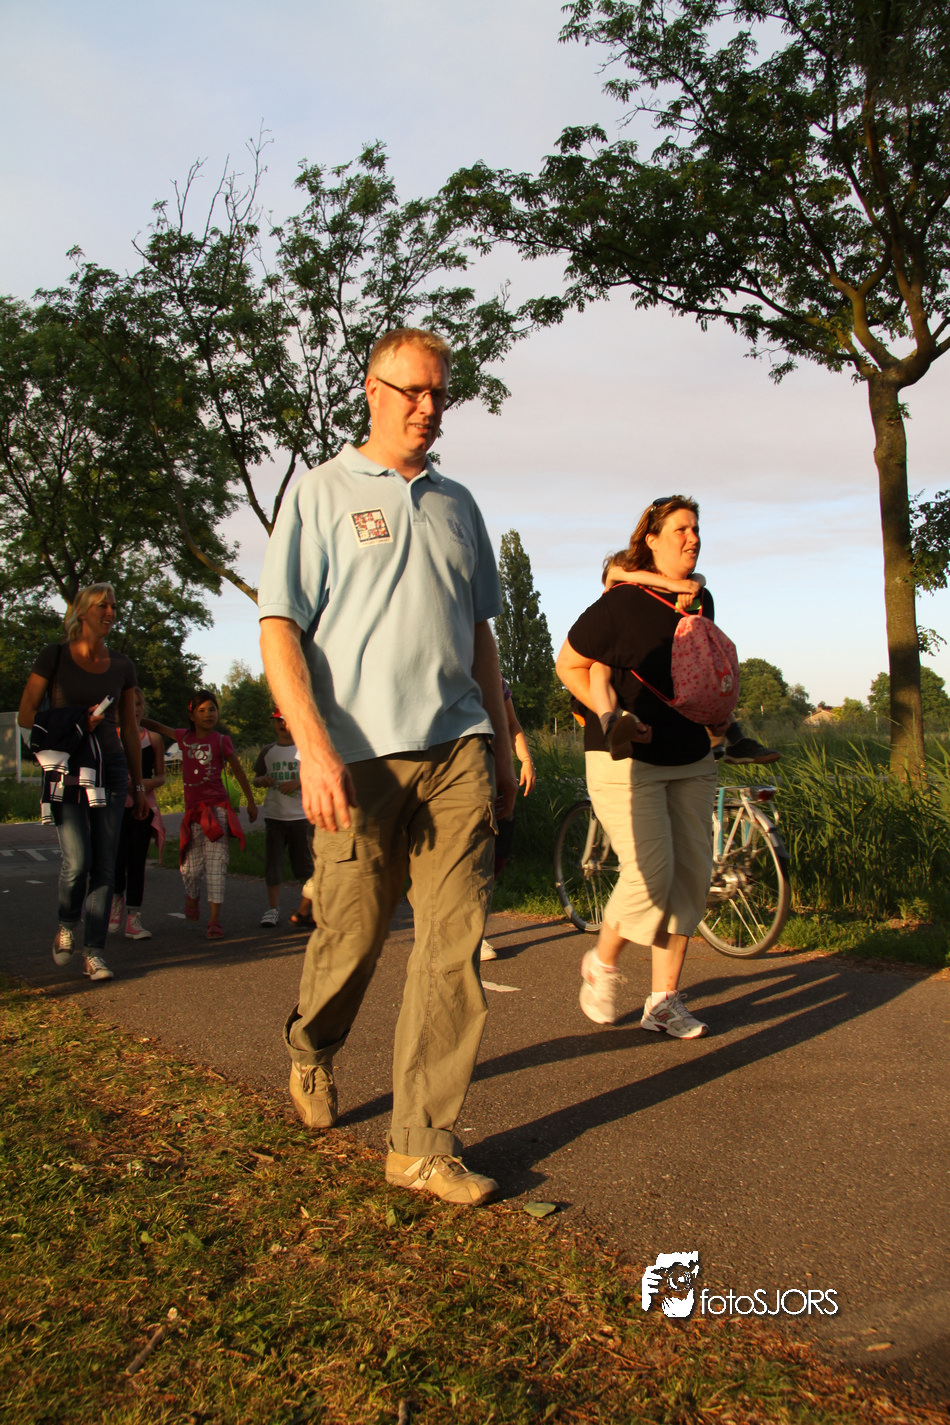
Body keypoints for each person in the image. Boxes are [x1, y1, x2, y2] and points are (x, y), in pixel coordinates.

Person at [259, 326, 516, 1208]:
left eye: (440, 393)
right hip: (357, 757)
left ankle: (421, 1145)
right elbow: (279, 628)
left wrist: (502, 739)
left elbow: (480, 635)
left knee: (453, 944)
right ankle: (311, 1046)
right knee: (355, 936)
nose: (428, 407)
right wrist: (313, 747)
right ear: (372, 390)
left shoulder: (459, 505)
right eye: (412, 390)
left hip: (458, 748)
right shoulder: (321, 493)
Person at [555, 496, 719, 1036]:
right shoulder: (621, 602)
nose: (692, 538)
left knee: (690, 878)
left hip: (690, 754)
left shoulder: (700, 600)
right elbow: (568, 665)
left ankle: (663, 1002)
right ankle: (601, 963)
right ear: (652, 538)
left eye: (696, 529)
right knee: (651, 876)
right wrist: (610, 718)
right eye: (680, 529)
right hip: (626, 760)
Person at [17, 583, 148, 982]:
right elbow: (26, 715)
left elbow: (130, 729)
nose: (110, 612)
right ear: (83, 611)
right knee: (78, 862)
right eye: (102, 605)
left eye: (114, 606)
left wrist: (138, 786)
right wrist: (77, 719)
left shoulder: (122, 665)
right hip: (68, 767)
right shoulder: (54, 656)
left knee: (106, 865)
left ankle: (95, 953)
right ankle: (66, 922)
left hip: (110, 767)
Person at [598, 559, 779, 765]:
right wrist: (682, 585)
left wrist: (692, 584)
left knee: (700, 666)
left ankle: (733, 738)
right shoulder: (614, 596)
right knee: (599, 668)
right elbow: (615, 574)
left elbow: (698, 579)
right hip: (627, 672)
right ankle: (611, 728)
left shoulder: (646, 600)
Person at [143, 692, 258, 939]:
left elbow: (238, 771)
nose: (208, 714)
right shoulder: (184, 737)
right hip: (193, 815)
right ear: (191, 715)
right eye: (202, 710)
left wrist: (250, 801)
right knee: (191, 870)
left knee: (217, 865)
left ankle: (214, 921)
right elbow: (158, 727)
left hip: (218, 812)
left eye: (212, 709)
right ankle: (191, 896)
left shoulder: (221, 741)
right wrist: (135, 717)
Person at [480, 678, 535, 962]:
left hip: (500, 777)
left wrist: (525, 760)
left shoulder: (493, 677)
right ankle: (471, 934)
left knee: (497, 857)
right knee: (473, 859)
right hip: (466, 778)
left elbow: (512, 724)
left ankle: (468, 927)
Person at [110, 688, 166, 940]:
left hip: (143, 808)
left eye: (138, 704)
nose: (133, 709)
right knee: (116, 860)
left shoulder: (153, 739)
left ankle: (133, 918)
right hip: (115, 808)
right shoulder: (110, 737)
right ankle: (116, 901)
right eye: (128, 704)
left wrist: (141, 784)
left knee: (137, 862)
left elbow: (161, 776)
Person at [253, 709, 315, 929]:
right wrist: (262, 780)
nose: (282, 724)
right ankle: (272, 909)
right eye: (278, 720)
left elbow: (315, 777)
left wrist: (297, 783)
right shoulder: (268, 751)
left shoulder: (305, 750)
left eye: (286, 720)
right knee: (273, 865)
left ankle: (309, 908)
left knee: (305, 867)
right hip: (274, 816)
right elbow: (256, 777)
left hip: (300, 817)